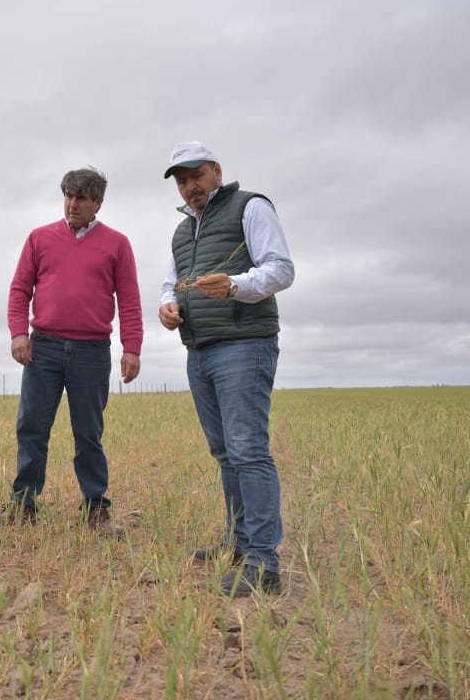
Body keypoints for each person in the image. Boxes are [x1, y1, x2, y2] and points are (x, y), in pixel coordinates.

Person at [158, 141, 295, 597]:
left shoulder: (250, 207)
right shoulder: (182, 231)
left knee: (248, 450)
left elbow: (280, 269)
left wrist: (235, 285)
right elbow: (169, 281)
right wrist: (168, 305)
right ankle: (238, 544)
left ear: (217, 170)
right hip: (199, 349)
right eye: (181, 179)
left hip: (244, 344)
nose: (190, 186)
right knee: (225, 453)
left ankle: (263, 563)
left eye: (196, 175)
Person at [0, 167, 143, 539]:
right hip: (45, 347)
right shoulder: (39, 238)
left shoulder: (117, 244)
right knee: (32, 427)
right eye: (68, 195)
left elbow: (130, 300)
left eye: (82, 198)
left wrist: (131, 347)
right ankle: (23, 505)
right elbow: (20, 289)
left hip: (92, 350)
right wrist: (19, 334)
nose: (72, 204)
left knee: (88, 432)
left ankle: (95, 509)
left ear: (98, 203)